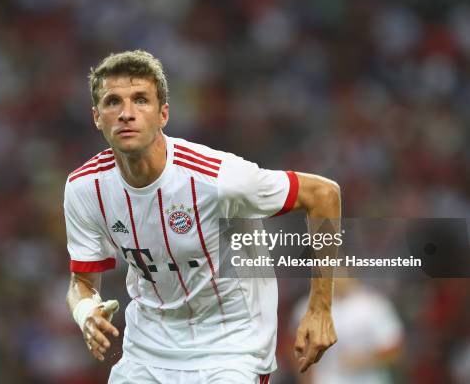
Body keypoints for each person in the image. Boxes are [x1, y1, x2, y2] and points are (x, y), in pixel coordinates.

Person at [64, 50, 340, 383]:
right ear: (96, 117)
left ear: (163, 113)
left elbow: (323, 195)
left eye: (140, 100)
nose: (126, 114)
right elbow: (81, 283)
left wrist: (320, 308)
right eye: (113, 102)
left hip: (230, 348)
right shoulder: (84, 188)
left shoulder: (218, 178)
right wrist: (85, 312)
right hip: (147, 353)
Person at [291, 278, 403, 384]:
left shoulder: (375, 305)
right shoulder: (307, 307)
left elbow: (395, 350)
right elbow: (297, 350)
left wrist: (366, 359)